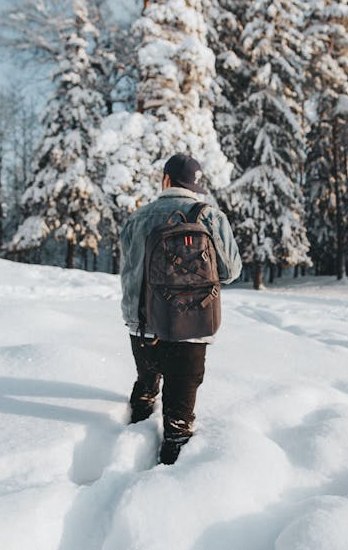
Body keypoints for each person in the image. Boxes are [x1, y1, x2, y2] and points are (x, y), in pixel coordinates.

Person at [120, 153, 242, 464]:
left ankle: (128, 438)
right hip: (193, 326)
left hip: (144, 325)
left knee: (146, 382)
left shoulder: (138, 218)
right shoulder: (210, 217)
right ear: (195, 187)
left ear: (165, 180)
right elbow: (230, 272)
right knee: (179, 415)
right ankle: (171, 473)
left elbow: (130, 274)